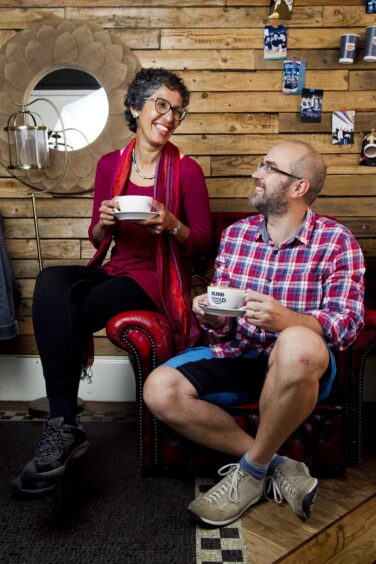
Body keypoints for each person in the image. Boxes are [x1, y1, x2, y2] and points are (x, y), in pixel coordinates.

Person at [12, 68, 212, 497]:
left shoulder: (189, 171)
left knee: (71, 312)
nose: (170, 116)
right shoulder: (110, 165)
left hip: (158, 277)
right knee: (51, 282)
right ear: (136, 107)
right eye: (161, 104)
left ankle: (61, 426)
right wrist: (103, 223)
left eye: (178, 110)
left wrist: (173, 223)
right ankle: (64, 424)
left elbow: (201, 242)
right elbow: (97, 237)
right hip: (116, 265)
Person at [143, 140, 365, 527]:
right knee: (158, 389)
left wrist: (288, 321)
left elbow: (347, 323)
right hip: (240, 354)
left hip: (301, 368)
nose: (255, 173)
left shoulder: (336, 241)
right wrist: (210, 315)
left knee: (295, 342)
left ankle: (247, 477)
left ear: (298, 187)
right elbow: (224, 319)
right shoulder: (236, 236)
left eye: (267, 167)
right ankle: (271, 465)